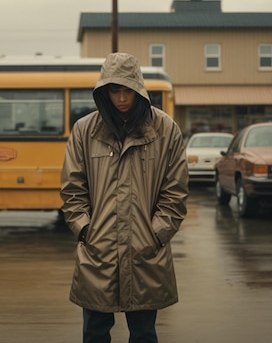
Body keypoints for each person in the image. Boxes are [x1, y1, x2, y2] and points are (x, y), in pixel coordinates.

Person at [60, 52, 189, 343]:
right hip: (98, 251)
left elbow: (175, 191)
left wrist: (156, 234)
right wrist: (85, 230)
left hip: (145, 251)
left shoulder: (165, 130)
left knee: (144, 333)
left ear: (138, 90)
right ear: (104, 91)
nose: (121, 98)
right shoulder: (85, 131)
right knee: (94, 332)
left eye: (127, 90)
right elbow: (72, 189)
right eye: (114, 90)